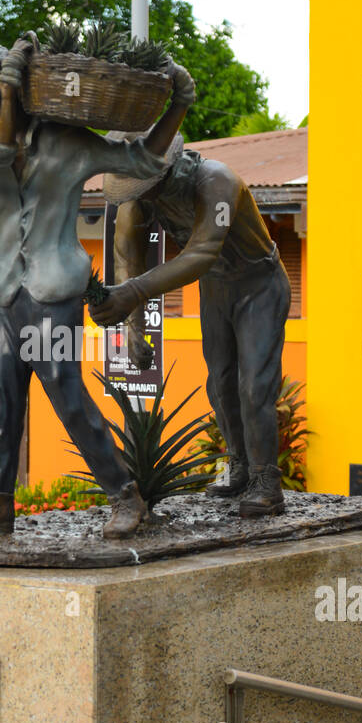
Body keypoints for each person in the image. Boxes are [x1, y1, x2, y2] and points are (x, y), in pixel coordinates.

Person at [0, 37, 196, 539]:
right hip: (6, 296)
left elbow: (143, 161)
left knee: (67, 395)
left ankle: (126, 497)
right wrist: (5, 109)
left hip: (53, 294)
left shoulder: (67, 140)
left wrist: (179, 105)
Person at [90, 138, 291, 517]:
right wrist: (134, 329)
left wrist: (131, 294)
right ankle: (241, 467)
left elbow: (201, 253)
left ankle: (267, 482)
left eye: (147, 189)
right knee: (219, 385)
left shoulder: (217, 181)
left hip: (259, 284)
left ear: (166, 173)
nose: (142, 197)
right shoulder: (142, 196)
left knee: (254, 387)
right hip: (216, 287)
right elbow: (126, 253)